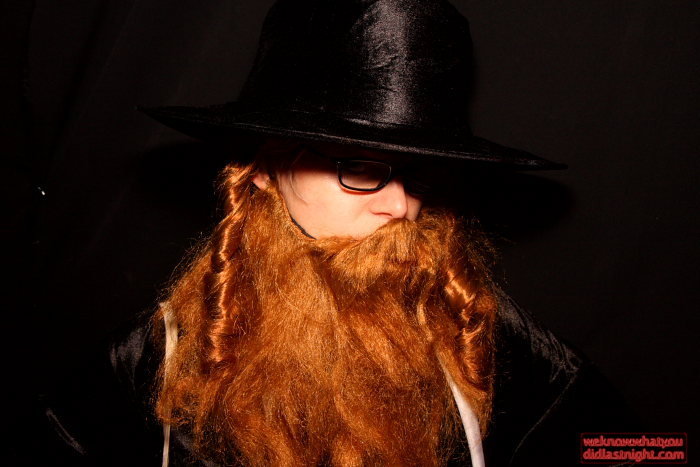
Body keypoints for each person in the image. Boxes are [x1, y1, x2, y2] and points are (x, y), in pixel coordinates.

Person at [35, 0, 635, 465]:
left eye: (418, 175)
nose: (401, 206)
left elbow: (635, 448)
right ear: (265, 168)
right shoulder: (161, 357)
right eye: (362, 168)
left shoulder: (475, 335)